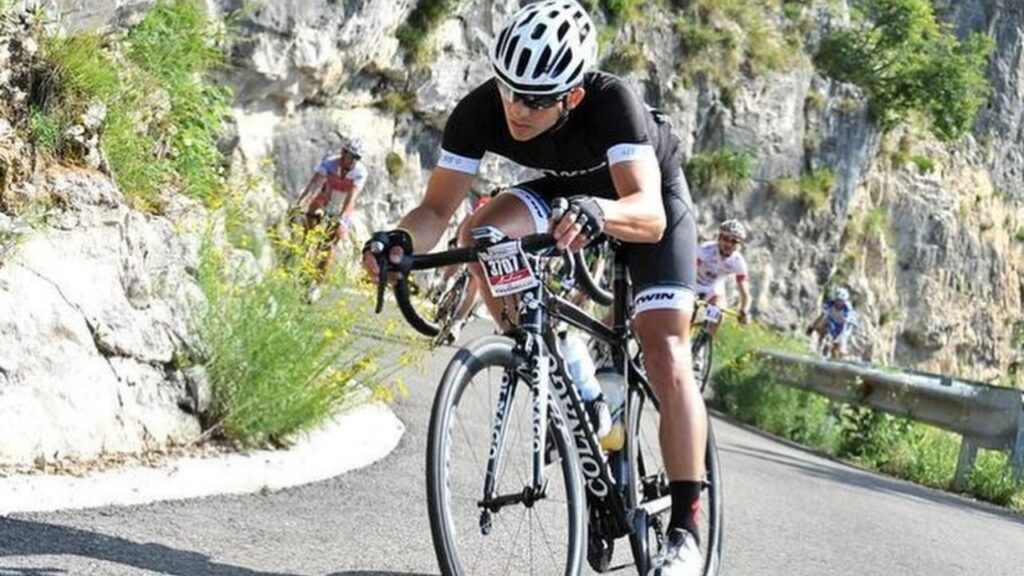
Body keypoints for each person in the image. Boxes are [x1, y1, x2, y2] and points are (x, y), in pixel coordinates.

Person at [363, 2, 704, 573]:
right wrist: (399, 241)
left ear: (571, 96)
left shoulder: (612, 103)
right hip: (563, 193)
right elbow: (437, 209)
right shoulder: (481, 111)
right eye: (509, 90)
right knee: (483, 232)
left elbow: (647, 214)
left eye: (537, 100)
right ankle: (559, 362)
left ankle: (687, 527)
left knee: (665, 348)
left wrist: (599, 209)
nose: (517, 109)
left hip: (646, 199)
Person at [296, 135, 368, 300]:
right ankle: (302, 256)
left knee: (328, 245)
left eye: (357, 158)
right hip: (326, 198)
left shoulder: (360, 172)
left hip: (343, 204)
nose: (353, 161)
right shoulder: (329, 163)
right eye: (351, 156)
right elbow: (314, 184)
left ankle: (317, 283)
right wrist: (300, 203)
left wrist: (342, 221)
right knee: (310, 219)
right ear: (343, 153)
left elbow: (351, 198)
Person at [694, 219, 752, 337]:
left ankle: (704, 343)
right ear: (719, 238)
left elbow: (745, 293)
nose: (729, 244)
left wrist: (744, 310)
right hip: (693, 283)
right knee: (686, 315)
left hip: (712, 289)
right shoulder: (705, 250)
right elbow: (688, 271)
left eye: (734, 241)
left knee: (719, 312)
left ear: (739, 244)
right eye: (725, 239)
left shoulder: (737, 261)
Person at [808, 286, 858, 358]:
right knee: (824, 326)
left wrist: (839, 339)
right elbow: (822, 316)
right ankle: (819, 348)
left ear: (845, 301)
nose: (839, 303)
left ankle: (841, 357)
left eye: (841, 301)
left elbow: (845, 327)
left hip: (847, 326)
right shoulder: (829, 304)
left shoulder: (847, 310)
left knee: (841, 342)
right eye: (837, 300)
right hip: (834, 321)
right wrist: (813, 327)